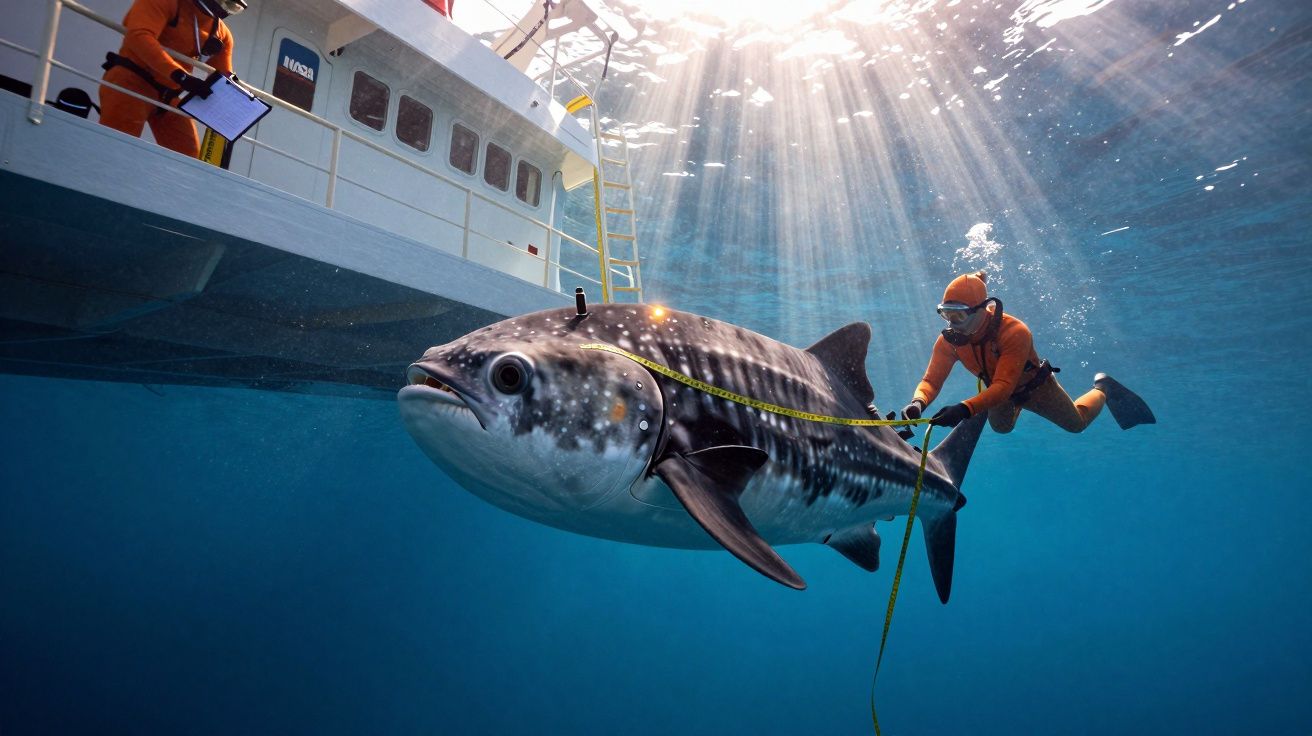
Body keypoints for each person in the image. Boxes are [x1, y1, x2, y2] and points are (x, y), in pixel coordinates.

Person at [903, 270, 1155, 433]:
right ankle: (1012, 408)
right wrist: (918, 402)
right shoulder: (949, 341)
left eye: (958, 315)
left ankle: (1103, 388)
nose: (951, 324)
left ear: (982, 310)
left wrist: (965, 408)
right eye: (946, 314)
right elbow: (930, 381)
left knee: (1076, 424)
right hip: (999, 390)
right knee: (1001, 429)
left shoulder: (1015, 332)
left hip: (1034, 387)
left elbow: (1003, 385)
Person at [99, 0, 247, 158]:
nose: (225, 8)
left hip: (170, 97)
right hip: (131, 82)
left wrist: (243, 100)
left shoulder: (221, 34)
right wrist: (180, 76)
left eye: (232, 6)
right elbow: (138, 36)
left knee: (188, 162)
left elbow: (222, 75)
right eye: (224, 2)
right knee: (114, 151)